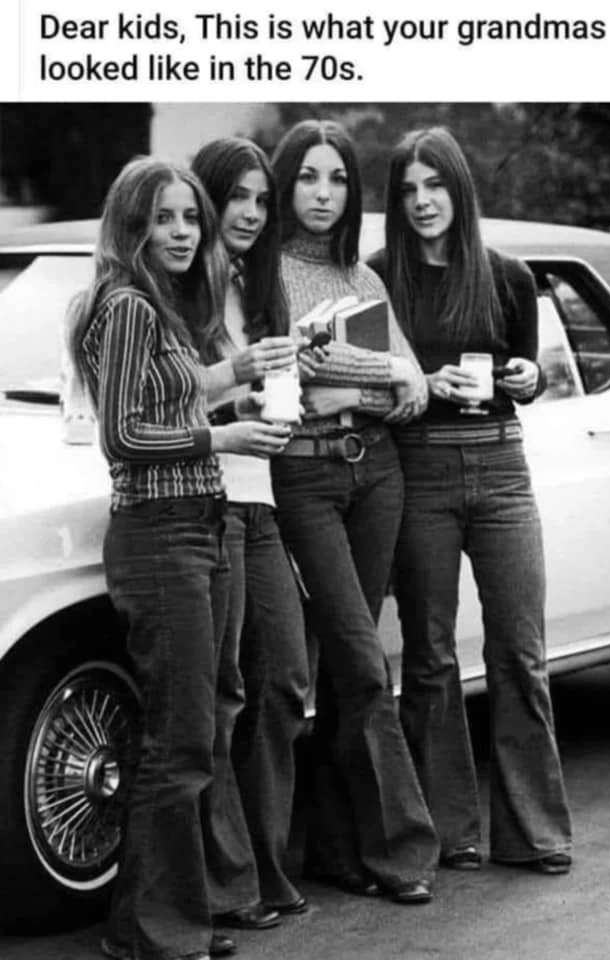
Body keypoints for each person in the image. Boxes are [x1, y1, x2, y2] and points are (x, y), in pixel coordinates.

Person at [67, 155, 293, 960]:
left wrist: (234, 385)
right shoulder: (128, 304)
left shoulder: (158, 305)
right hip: (161, 534)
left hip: (198, 523)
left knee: (188, 735)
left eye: (190, 217)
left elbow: (166, 402)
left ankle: (169, 921)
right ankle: (150, 932)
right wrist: (224, 437)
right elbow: (123, 437)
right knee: (181, 738)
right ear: (132, 225)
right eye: (163, 218)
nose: (182, 232)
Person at [368, 126, 572, 875]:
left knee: (520, 650)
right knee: (428, 656)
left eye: (435, 185)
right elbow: (369, 386)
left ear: (459, 188)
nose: (423, 202)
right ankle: (450, 831)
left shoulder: (508, 276)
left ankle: (536, 833)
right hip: (419, 467)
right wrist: (422, 386)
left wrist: (529, 378)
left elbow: (529, 373)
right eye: (409, 190)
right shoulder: (378, 278)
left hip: (502, 465)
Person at [269, 119, 438, 904]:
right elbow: (291, 372)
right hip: (305, 480)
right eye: (309, 176)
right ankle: (403, 852)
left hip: (379, 475)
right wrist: (383, 373)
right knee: (365, 662)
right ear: (286, 183)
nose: (324, 193)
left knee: (349, 670)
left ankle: (337, 851)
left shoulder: (364, 279)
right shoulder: (264, 273)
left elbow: (415, 391)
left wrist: (367, 381)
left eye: (337, 178)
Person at [191, 137, 310, 917]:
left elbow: (279, 393)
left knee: (286, 679)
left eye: (262, 200)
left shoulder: (259, 289)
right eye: (236, 196)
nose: (252, 213)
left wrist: (284, 395)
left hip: (260, 500)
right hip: (208, 498)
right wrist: (235, 394)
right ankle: (225, 882)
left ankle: (263, 863)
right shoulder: (178, 288)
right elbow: (159, 400)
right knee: (221, 696)